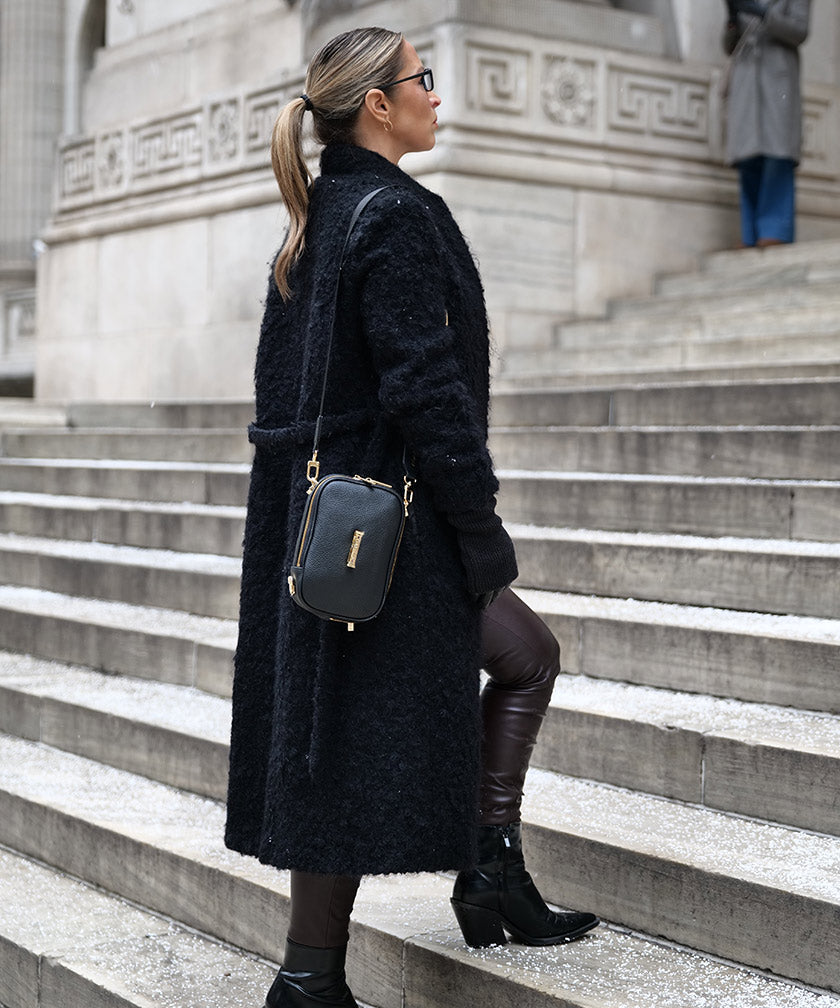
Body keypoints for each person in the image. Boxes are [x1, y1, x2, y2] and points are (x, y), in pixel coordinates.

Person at [224, 26, 598, 1008]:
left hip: (330, 525)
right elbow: (427, 393)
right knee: (519, 659)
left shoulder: (321, 216)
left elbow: (286, 403)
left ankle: (465, 888)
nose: (439, 93)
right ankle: (452, 890)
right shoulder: (393, 215)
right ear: (379, 106)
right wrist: (479, 533)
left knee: (341, 729)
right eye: (422, 79)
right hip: (390, 529)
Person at [722, 0, 811, 248]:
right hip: (747, 82)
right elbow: (728, 46)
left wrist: (763, 13)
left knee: (778, 156)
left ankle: (775, 231)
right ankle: (750, 233)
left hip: (777, 81)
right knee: (748, 158)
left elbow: (800, 31)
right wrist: (732, 18)